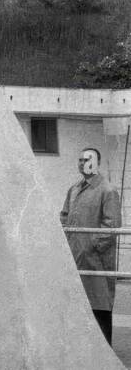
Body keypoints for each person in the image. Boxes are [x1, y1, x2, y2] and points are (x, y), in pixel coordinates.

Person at [61, 147, 120, 346]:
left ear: (96, 163)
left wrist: (91, 247)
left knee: (100, 307)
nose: (82, 163)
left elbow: (111, 226)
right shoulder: (74, 189)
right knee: (78, 306)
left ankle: (105, 354)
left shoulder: (107, 190)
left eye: (87, 159)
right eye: (79, 159)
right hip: (75, 258)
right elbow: (64, 216)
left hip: (97, 262)